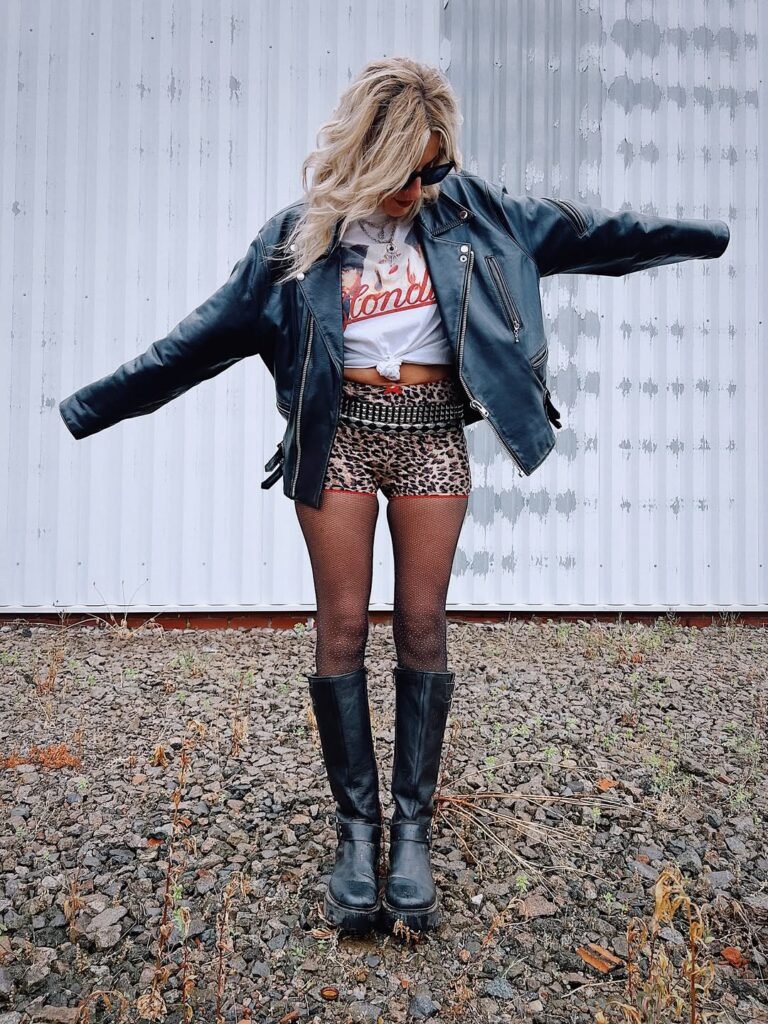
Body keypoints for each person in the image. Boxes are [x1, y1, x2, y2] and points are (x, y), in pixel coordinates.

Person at [59, 56, 730, 935]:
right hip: (337, 437)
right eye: (413, 170)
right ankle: (355, 832)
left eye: (437, 167)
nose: (426, 186)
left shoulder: (477, 216)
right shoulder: (297, 241)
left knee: (422, 623)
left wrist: (708, 236)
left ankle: (410, 832)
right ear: (373, 159)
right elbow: (197, 341)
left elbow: (599, 232)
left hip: (429, 435)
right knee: (340, 626)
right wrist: (88, 408)